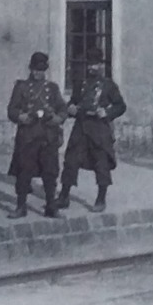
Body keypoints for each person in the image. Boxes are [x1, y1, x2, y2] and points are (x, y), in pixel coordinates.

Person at [58, 48, 127, 213]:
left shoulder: (109, 85)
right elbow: (73, 103)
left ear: (101, 65)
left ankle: (101, 199)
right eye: (90, 64)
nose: (92, 68)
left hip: (99, 129)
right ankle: (64, 196)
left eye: (95, 64)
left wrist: (107, 113)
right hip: (81, 127)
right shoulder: (80, 84)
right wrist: (71, 108)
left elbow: (121, 106)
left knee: (101, 162)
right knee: (71, 160)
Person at [6, 52, 67, 218]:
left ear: (45, 70)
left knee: (50, 173)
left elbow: (63, 108)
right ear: (30, 69)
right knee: (24, 173)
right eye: (34, 69)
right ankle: (21, 206)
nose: (37, 73)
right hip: (28, 136)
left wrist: (57, 118)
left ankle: (51, 206)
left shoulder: (52, 88)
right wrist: (20, 117)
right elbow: (11, 109)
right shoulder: (21, 87)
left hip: (48, 136)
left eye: (40, 70)